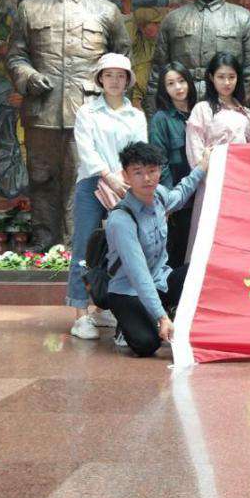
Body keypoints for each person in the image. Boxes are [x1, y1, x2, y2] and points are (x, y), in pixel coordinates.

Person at [8, 0, 131, 250]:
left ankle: (78, 245)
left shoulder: (106, 11)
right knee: (41, 177)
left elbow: (122, 59)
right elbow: (16, 56)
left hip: (89, 112)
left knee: (83, 178)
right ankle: (44, 242)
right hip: (42, 111)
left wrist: (107, 94)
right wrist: (29, 76)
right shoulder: (30, 9)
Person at [66, 53, 147, 340]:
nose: (114, 81)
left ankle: (106, 308)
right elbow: (86, 149)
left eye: (121, 76)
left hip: (124, 185)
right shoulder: (87, 112)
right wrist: (106, 174)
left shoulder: (136, 115)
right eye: (109, 75)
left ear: (128, 80)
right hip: (92, 184)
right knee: (84, 247)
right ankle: (80, 314)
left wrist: (123, 178)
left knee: (120, 249)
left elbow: (139, 150)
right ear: (100, 79)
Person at [104, 141, 211, 357]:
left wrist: (202, 167)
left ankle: (162, 311)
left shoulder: (160, 195)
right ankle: (128, 324)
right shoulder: (121, 220)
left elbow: (180, 195)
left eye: (152, 170)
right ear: (125, 176)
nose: (146, 178)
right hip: (128, 290)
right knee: (146, 345)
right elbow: (138, 275)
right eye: (138, 172)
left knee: (201, 271)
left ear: (160, 171)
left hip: (160, 280)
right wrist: (162, 318)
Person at [143, 0, 250, 113]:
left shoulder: (244, 19)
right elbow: (158, 72)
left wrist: (247, 113)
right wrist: (152, 114)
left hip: (228, 108)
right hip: (181, 106)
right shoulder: (173, 20)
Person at [185, 52, 250, 253]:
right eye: (221, 77)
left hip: (240, 184)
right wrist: (207, 175)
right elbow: (195, 149)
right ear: (211, 78)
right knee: (208, 235)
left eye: (231, 77)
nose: (226, 82)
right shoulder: (202, 109)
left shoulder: (245, 112)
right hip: (212, 182)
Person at [148, 62, 197, 268]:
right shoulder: (161, 119)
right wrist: (170, 200)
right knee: (178, 253)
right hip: (179, 199)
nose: (178, 87)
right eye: (170, 83)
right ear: (164, 88)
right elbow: (160, 161)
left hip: (202, 194)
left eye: (181, 81)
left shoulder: (200, 112)